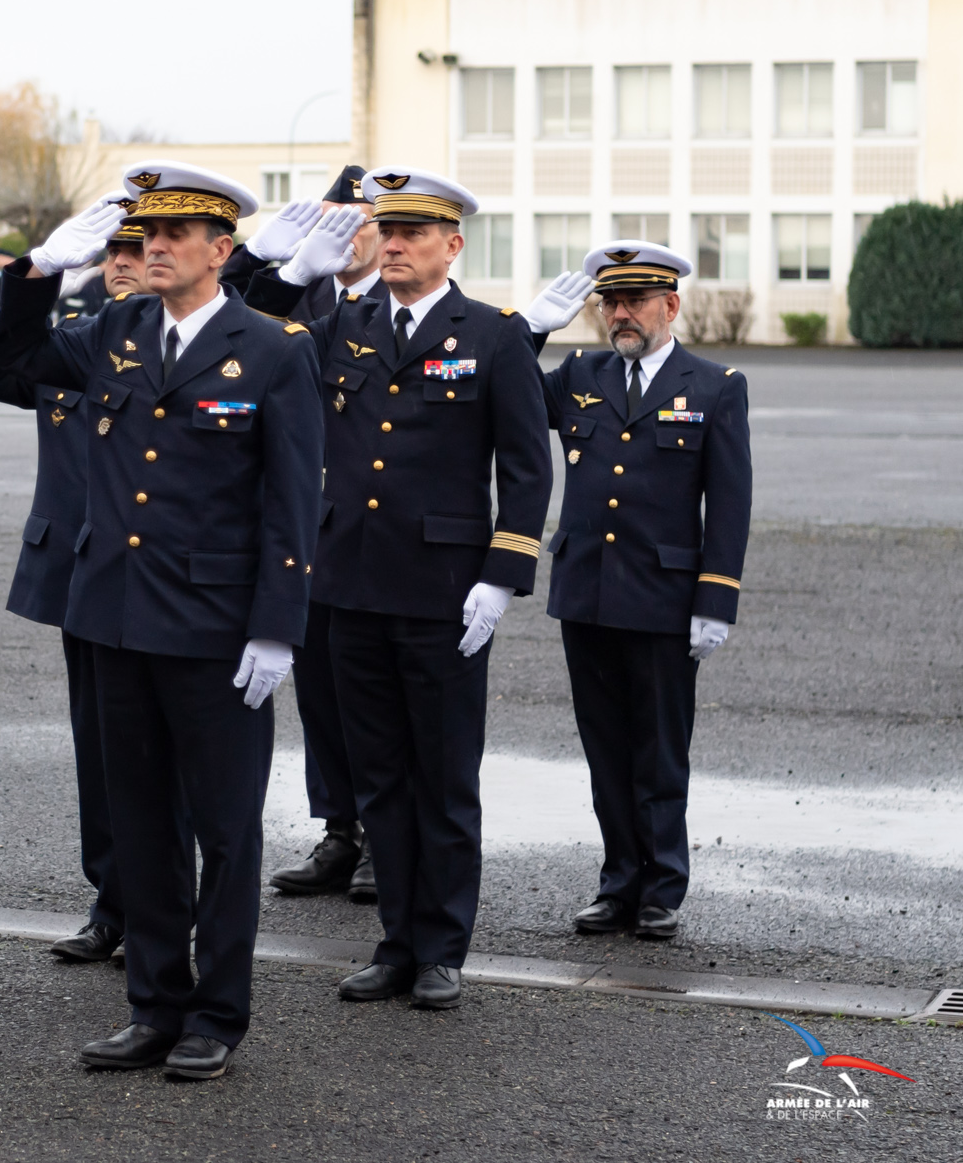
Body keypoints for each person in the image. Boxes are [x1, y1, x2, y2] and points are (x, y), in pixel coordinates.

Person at [0, 162, 322, 1082]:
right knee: (139, 824)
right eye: (145, 235)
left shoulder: (273, 348)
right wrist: (36, 275)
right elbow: (8, 366)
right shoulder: (115, 329)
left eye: (177, 234)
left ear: (222, 250)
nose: (155, 248)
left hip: (216, 626)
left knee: (225, 830)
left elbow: (291, 500)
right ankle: (152, 1004)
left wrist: (277, 625)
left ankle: (216, 1011)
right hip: (115, 615)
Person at [249, 168, 554, 1011]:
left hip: (445, 592)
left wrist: (502, 575)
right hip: (347, 584)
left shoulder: (491, 335)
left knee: (444, 779)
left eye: (414, 233)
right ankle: (394, 942)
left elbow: (528, 469)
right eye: (387, 231)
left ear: (452, 244)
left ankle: (442, 947)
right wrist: (282, 270)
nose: (395, 245)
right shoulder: (341, 326)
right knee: (379, 777)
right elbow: (249, 342)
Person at [521, 243, 752, 942]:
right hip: (586, 592)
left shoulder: (713, 384)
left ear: (670, 306)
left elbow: (732, 501)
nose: (620, 314)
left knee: (658, 748)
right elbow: (506, 400)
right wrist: (528, 333)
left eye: (635, 301)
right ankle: (618, 879)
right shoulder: (581, 373)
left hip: (662, 598)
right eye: (610, 302)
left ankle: (661, 887)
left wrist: (716, 599)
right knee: (604, 748)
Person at [0, 201, 160, 965]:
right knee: (99, 747)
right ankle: (112, 902)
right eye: (113, 250)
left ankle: (166, 906)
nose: (124, 260)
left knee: (170, 752)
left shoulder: (183, 343)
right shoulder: (76, 344)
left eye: (140, 247)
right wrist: (40, 273)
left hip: (165, 575)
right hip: (81, 571)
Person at [246, 168, 385, 904]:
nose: (348, 235)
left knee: (375, 692)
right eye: (336, 219)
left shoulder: (399, 305)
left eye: (360, 221)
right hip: (307, 521)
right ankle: (341, 827)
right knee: (323, 689)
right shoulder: (297, 296)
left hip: (375, 527)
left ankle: (384, 836)